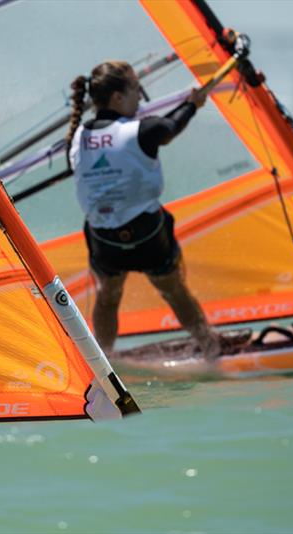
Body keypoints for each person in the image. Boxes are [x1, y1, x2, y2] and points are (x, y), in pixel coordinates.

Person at [66, 61, 222, 358]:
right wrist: (193, 104)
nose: (140, 96)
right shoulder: (142, 129)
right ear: (117, 97)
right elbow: (171, 126)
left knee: (108, 295)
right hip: (147, 235)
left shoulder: (76, 137)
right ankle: (211, 347)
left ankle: (105, 358)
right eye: (136, 89)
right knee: (173, 290)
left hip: (104, 241)